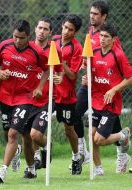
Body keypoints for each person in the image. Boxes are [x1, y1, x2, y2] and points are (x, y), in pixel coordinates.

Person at [0, 20, 49, 184]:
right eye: (15, 36)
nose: (17, 40)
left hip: (25, 98)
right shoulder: (4, 46)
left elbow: (47, 70)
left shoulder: (36, 52)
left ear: (28, 37)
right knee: (19, 135)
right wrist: (0, 72)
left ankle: (2, 171)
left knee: (12, 134)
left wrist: (39, 87)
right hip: (5, 96)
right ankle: (30, 168)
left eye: (21, 38)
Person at [74, 0, 123, 165]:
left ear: (104, 17)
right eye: (91, 13)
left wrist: (113, 87)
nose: (92, 16)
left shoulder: (110, 38)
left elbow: (116, 62)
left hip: (107, 89)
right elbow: (88, 59)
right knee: (76, 112)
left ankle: (121, 152)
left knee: (111, 127)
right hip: (90, 85)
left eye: (96, 14)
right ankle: (83, 152)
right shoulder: (90, 31)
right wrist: (85, 68)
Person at [90, 22, 132, 176]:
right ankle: (99, 169)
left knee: (99, 139)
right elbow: (91, 73)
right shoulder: (93, 52)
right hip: (96, 101)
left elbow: (130, 78)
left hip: (111, 104)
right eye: (101, 36)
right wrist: (87, 79)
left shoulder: (118, 54)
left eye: (106, 37)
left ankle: (124, 135)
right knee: (91, 136)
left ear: (114, 39)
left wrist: (114, 89)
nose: (102, 39)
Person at [28, 17, 63, 170]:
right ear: (35, 29)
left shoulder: (54, 50)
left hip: (48, 99)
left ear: (50, 32)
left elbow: (60, 72)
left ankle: (47, 145)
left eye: (45, 29)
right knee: (28, 135)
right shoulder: (27, 48)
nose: (42, 32)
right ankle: (35, 159)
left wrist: (58, 78)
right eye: (40, 28)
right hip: (28, 98)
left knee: (36, 134)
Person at [52, 14, 84, 175]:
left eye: (70, 30)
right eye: (64, 27)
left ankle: (76, 156)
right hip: (50, 93)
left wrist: (62, 63)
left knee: (68, 130)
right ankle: (37, 158)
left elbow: (72, 75)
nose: (65, 31)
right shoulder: (54, 40)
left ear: (75, 32)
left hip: (66, 95)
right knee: (35, 128)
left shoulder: (77, 48)